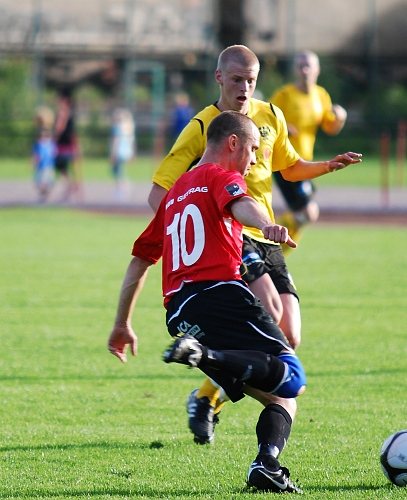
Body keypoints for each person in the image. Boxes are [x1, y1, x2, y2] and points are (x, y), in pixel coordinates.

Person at [147, 44, 361, 445]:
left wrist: (327, 166)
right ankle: (220, 395)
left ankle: (207, 395)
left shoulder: (270, 115)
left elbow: (290, 166)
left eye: (251, 80)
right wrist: (184, 233)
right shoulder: (204, 125)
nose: (244, 88)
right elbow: (162, 190)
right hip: (233, 236)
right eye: (237, 80)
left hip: (267, 233)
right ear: (219, 79)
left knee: (290, 335)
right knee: (270, 314)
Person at [108, 111, 305, 493]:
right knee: (293, 377)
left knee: (279, 397)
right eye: (251, 150)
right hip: (219, 295)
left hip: (181, 312)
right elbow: (240, 204)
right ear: (232, 143)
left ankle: (266, 465)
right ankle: (204, 357)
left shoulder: (176, 192)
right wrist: (266, 225)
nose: (252, 161)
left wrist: (121, 323)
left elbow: (140, 262)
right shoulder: (222, 177)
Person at [270, 50, 347, 253]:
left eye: (308, 66)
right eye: (301, 66)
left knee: (300, 216)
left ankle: (276, 255)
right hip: (284, 162)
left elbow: (331, 128)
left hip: (304, 164)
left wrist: (340, 117)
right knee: (309, 212)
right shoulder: (285, 95)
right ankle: (269, 234)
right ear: (295, 70)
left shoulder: (321, 96)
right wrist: (283, 126)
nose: (305, 70)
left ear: (317, 70)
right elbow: (266, 120)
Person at [53, 88, 82, 201]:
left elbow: (60, 129)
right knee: (63, 167)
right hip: (67, 144)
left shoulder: (63, 113)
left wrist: (53, 139)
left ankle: (71, 185)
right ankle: (70, 185)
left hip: (65, 145)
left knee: (61, 165)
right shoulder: (68, 113)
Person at [109, 108, 135, 201]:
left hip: (119, 152)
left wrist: (113, 153)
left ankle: (122, 188)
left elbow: (116, 141)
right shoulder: (126, 128)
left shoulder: (117, 128)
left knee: (117, 171)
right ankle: (123, 188)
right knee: (121, 171)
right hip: (125, 152)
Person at [32, 106, 57, 203]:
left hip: (48, 166)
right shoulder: (38, 144)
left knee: (47, 182)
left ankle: (46, 196)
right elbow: (35, 154)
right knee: (39, 182)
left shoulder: (50, 143)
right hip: (41, 166)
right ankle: (44, 195)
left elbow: (53, 151)